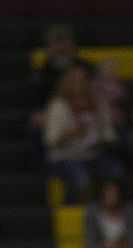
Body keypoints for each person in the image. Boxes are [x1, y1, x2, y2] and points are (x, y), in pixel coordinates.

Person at [43, 65, 121, 204]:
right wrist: (70, 133)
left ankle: (101, 211)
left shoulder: (98, 104)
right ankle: (69, 212)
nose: (77, 85)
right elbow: (50, 141)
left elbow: (111, 138)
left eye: (81, 81)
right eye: (73, 81)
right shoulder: (58, 106)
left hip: (92, 154)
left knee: (116, 173)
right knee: (81, 180)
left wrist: (101, 130)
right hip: (65, 155)